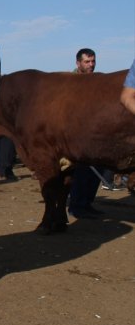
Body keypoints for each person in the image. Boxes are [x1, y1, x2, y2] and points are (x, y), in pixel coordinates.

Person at [68, 48, 103, 219]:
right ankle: (76, 206)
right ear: (78, 63)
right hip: (76, 134)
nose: (91, 65)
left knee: (98, 168)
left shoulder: (97, 81)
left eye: (93, 61)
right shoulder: (69, 82)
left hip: (95, 132)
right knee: (82, 169)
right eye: (87, 61)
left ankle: (87, 203)